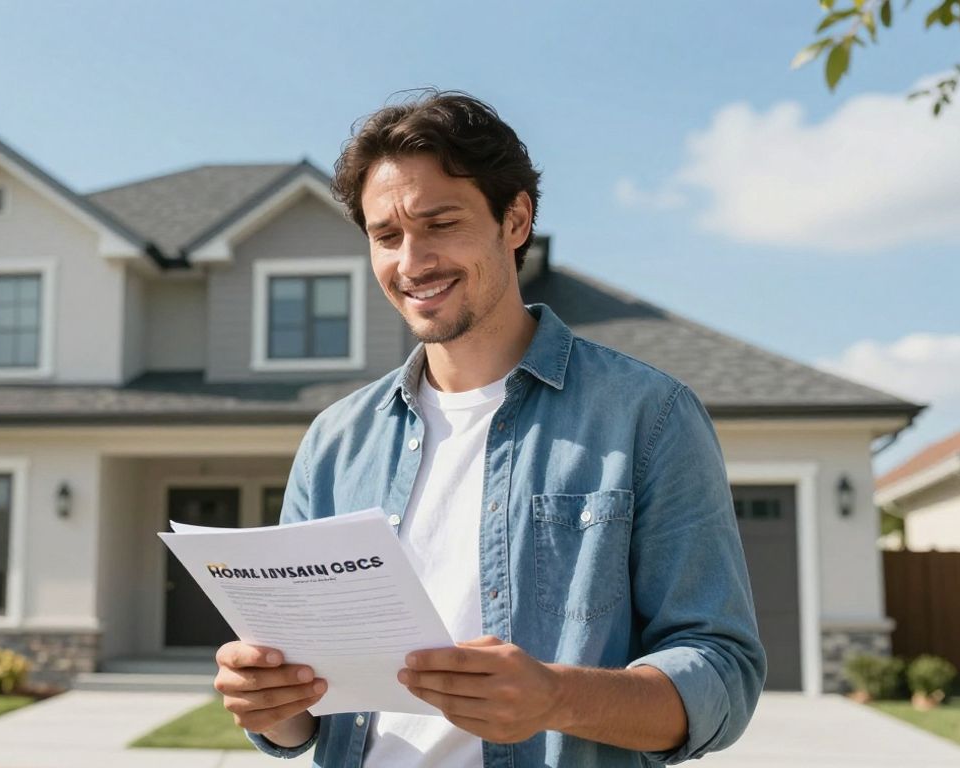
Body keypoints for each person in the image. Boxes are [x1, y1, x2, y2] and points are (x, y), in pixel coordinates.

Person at [213, 90, 766, 768]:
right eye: (386, 237)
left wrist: (556, 698)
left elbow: (722, 674)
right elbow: (307, 718)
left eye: (440, 223)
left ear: (515, 220)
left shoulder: (647, 417)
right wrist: (274, 704)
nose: (411, 263)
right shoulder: (335, 442)